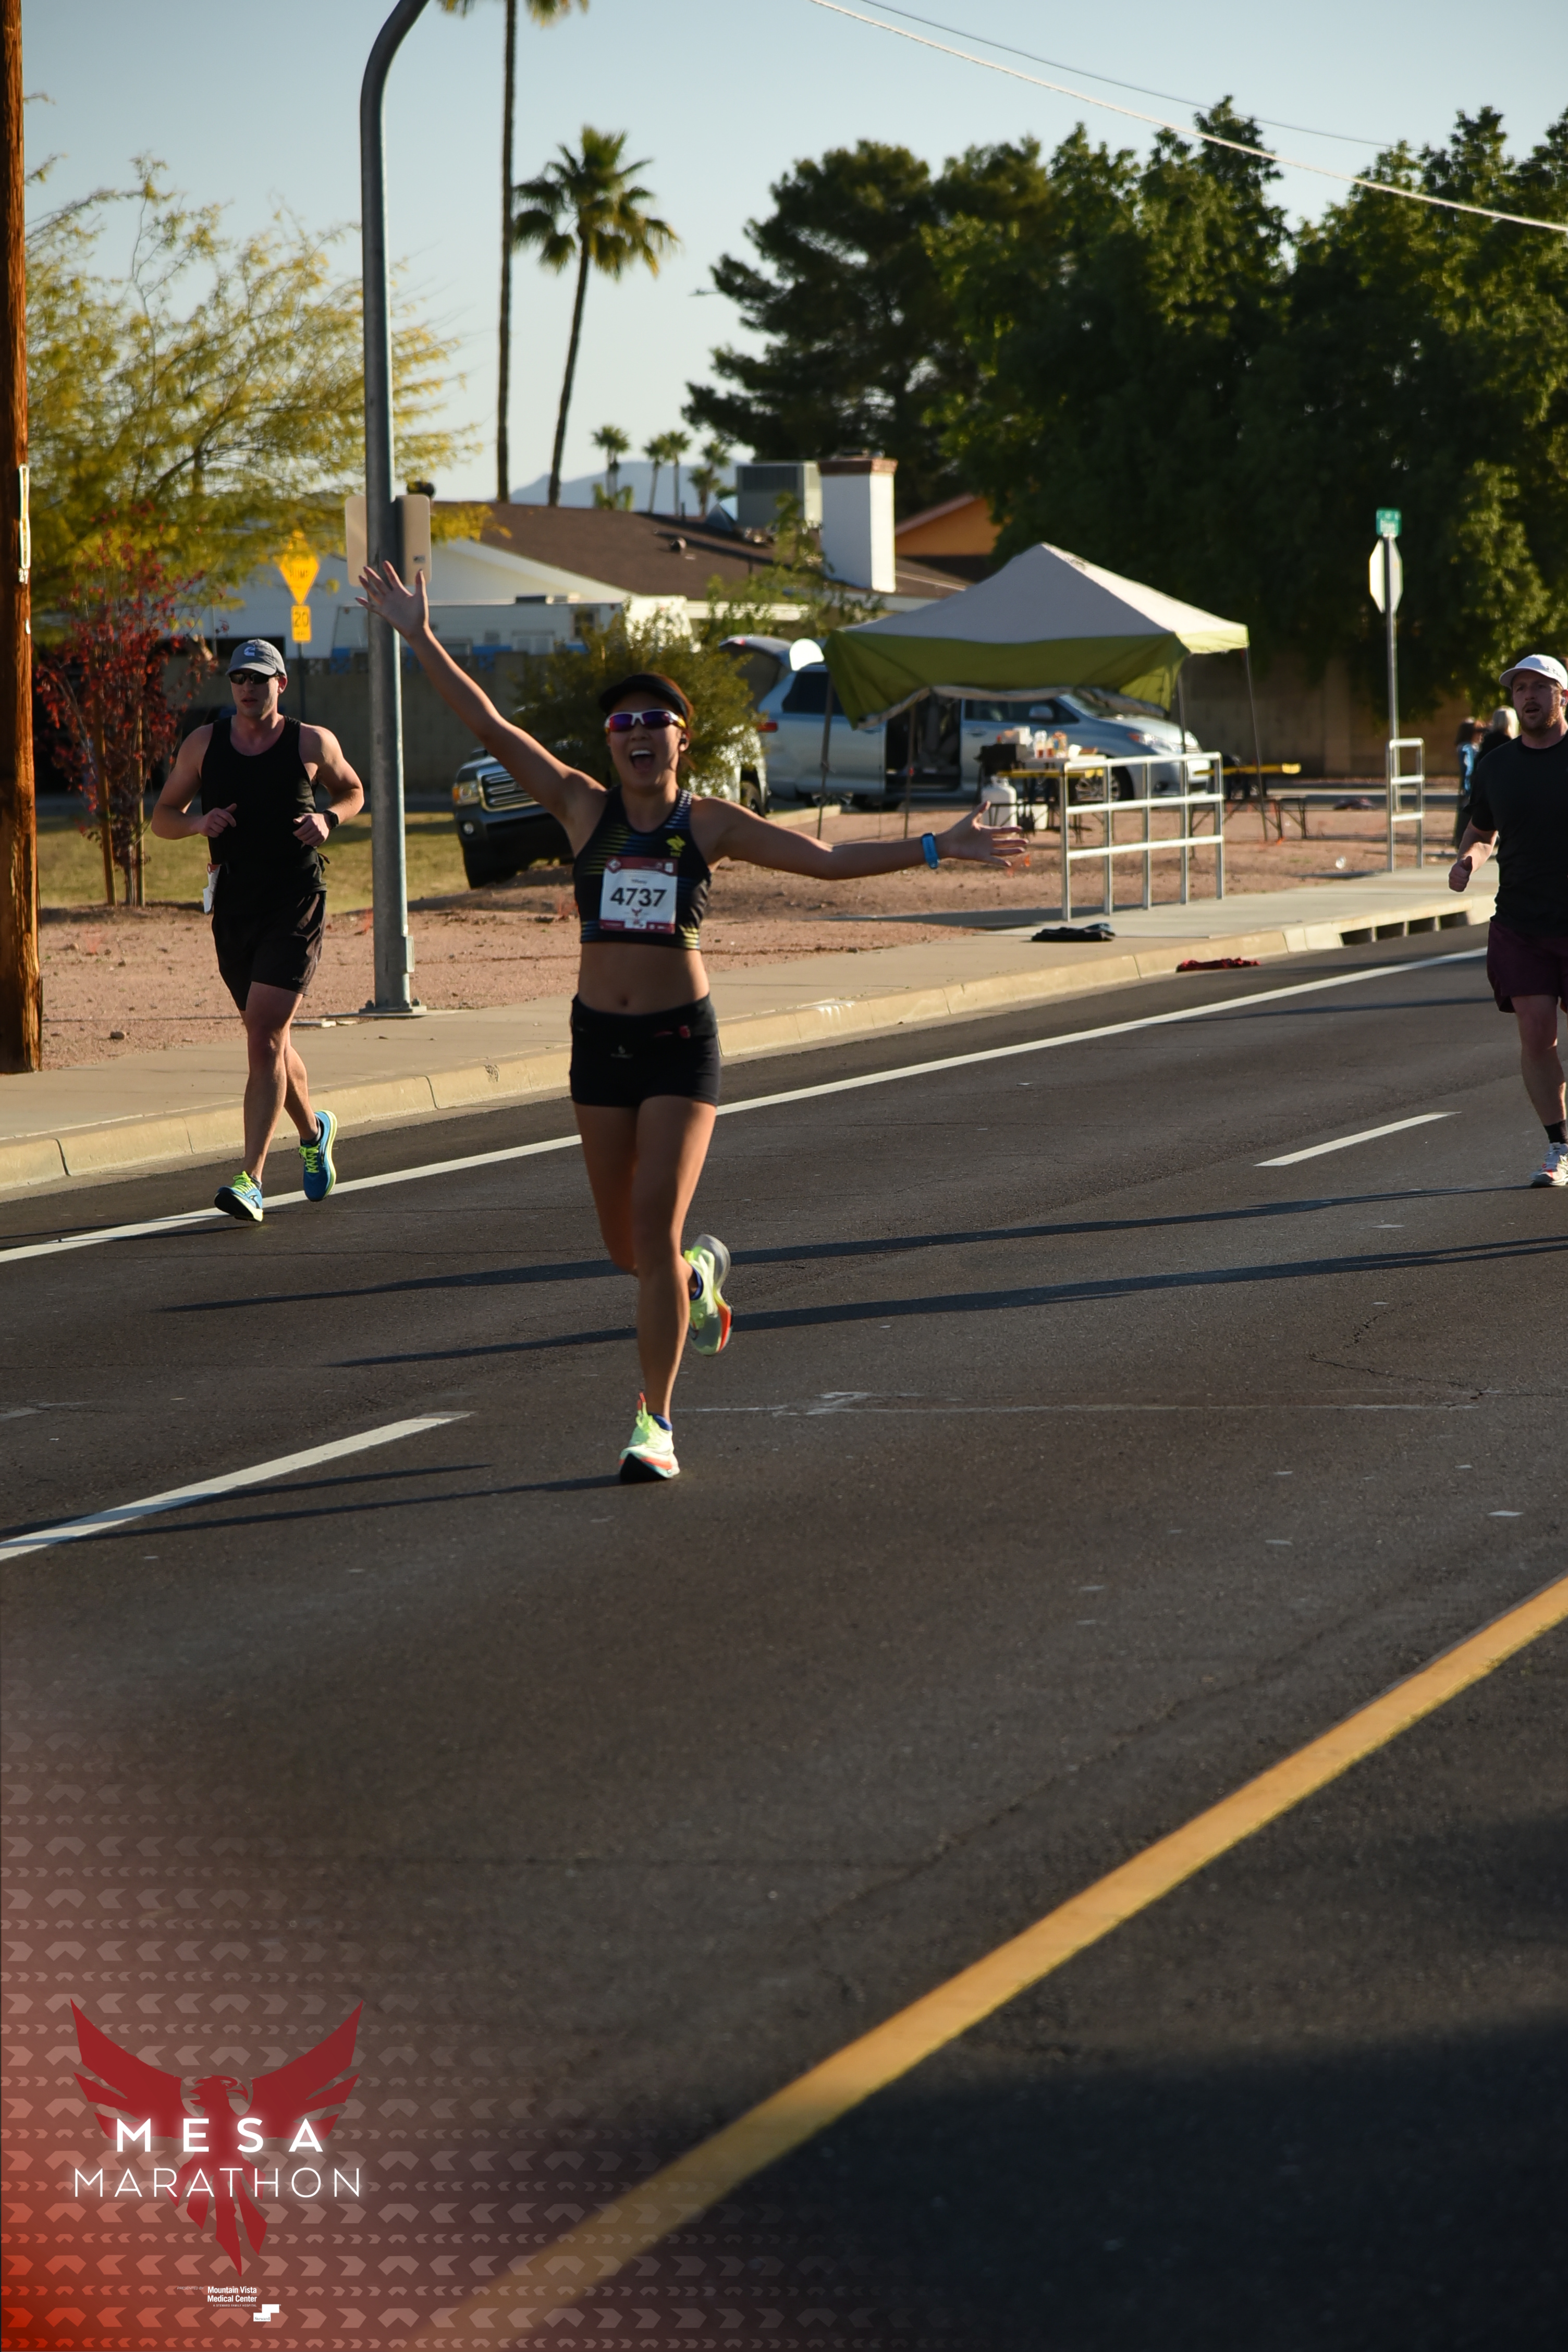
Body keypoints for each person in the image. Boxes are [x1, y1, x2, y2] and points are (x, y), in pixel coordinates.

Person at [358, 558, 1026, 1482]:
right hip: (599, 1045)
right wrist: (419, 635)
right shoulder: (580, 807)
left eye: (654, 722)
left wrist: (935, 846)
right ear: (608, 741)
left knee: (652, 1229)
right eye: (622, 723)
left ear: (683, 737)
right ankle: (696, 1278)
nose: (637, 734)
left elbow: (826, 861)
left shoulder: (710, 824)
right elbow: (490, 726)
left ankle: (655, 1420)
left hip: (679, 1046)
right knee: (628, 1251)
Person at [151, 639, 365, 1221]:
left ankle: (252, 1179)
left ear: (281, 684)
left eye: (260, 678)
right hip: (234, 907)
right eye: (239, 678)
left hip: (295, 902)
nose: (248, 687)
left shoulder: (310, 742)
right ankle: (315, 1132)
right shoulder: (204, 744)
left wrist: (328, 817)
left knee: (265, 1032)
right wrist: (199, 823)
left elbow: (352, 791)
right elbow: (163, 817)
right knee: (269, 1038)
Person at [1449, 652, 1568, 1187]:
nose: (1528, 697)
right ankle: (1559, 1147)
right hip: (1521, 922)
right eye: (1520, 688)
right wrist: (1467, 861)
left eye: (1539, 687)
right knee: (1535, 1034)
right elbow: (1481, 831)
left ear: (1561, 696)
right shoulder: (1497, 766)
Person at [1452, 717, 1479, 851]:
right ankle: (1461, 840)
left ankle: (1460, 839)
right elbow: (1468, 767)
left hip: (1468, 786)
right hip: (1469, 787)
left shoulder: (1466, 747)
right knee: (1466, 813)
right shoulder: (1467, 748)